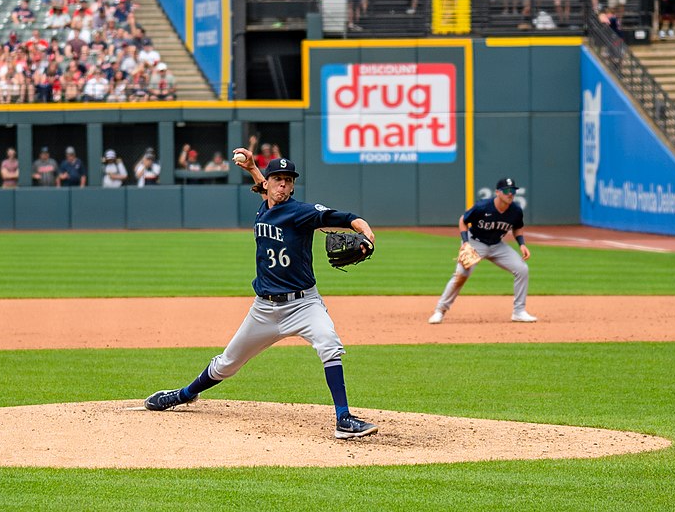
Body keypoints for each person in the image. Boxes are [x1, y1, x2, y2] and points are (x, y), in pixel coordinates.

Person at [143, 151, 380, 440]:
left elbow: (345, 218)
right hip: (264, 310)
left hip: (304, 304)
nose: (282, 185)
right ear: (267, 184)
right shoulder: (263, 208)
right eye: (277, 179)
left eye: (288, 180)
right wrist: (254, 168)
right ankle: (183, 395)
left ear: (293, 186)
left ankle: (343, 419)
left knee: (329, 343)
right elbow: (264, 189)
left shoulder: (302, 212)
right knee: (227, 363)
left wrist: (367, 234)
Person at [428, 177, 536, 324]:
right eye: (506, 191)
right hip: (475, 243)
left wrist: (522, 244)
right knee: (461, 275)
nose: (510, 194)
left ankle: (519, 312)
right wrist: (465, 243)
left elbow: (518, 227)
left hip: (498, 246)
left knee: (522, 269)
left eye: (513, 191)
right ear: (497, 192)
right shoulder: (483, 207)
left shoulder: (516, 211)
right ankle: (439, 311)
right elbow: (463, 221)